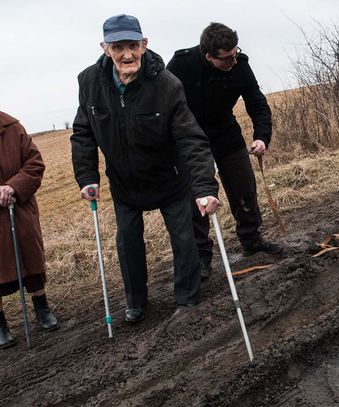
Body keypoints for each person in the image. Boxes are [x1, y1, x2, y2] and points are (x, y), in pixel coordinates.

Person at [71, 14, 219, 323]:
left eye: (133, 46)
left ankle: (187, 299)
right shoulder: (89, 82)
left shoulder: (166, 85)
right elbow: (83, 132)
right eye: (118, 47)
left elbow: (191, 138)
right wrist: (87, 177)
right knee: (127, 244)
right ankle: (136, 301)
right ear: (104, 49)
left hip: (170, 180)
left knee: (184, 239)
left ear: (145, 44)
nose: (127, 55)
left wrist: (204, 187)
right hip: (125, 184)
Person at [166, 22, 283, 280]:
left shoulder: (240, 65)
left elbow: (256, 101)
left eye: (235, 53)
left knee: (244, 186)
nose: (233, 60)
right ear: (209, 56)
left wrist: (262, 136)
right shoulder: (180, 65)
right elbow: (164, 106)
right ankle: (201, 258)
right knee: (199, 198)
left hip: (225, 133)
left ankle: (251, 239)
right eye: (226, 58)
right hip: (191, 138)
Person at [0, 111, 59, 349]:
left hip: (20, 209)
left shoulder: (13, 129)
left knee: (32, 259)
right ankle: (0, 324)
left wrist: (12, 187)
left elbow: (35, 164)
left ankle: (42, 308)